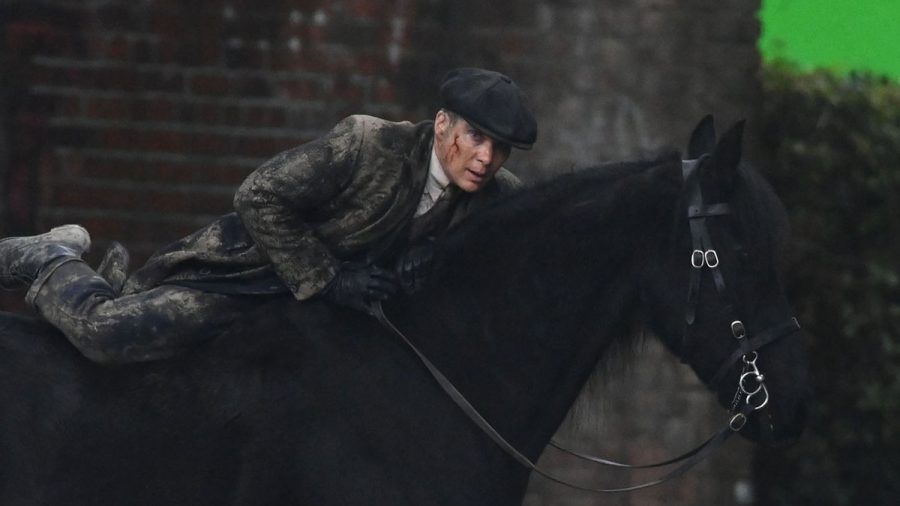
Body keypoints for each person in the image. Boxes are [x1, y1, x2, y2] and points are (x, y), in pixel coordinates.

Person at [0, 68, 537, 364]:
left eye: (501, 148)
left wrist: (436, 267)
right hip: (253, 279)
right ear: (443, 124)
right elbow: (258, 194)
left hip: (341, 333)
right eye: (476, 137)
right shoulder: (369, 143)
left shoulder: (496, 198)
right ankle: (51, 257)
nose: (487, 158)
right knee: (108, 335)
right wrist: (328, 277)